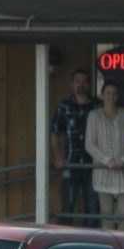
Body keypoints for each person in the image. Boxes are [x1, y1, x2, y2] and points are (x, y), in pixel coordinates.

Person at [85, 83, 124, 231]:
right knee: (106, 215)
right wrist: (106, 160)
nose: (111, 96)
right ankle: (109, 245)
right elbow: (89, 144)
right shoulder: (94, 116)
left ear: (117, 96)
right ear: (102, 95)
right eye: (108, 93)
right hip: (103, 173)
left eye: (114, 93)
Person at [51, 69, 101, 226]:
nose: (81, 84)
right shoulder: (64, 106)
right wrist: (58, 156)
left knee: (93, 207)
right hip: (70, 163)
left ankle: (91, 240)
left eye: (84, 81)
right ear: (72, 84)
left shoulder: (97, 106)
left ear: (89, 84)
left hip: (93, 164)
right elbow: (55, 133)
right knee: (67, 206)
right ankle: (64, 240)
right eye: (78, 81)